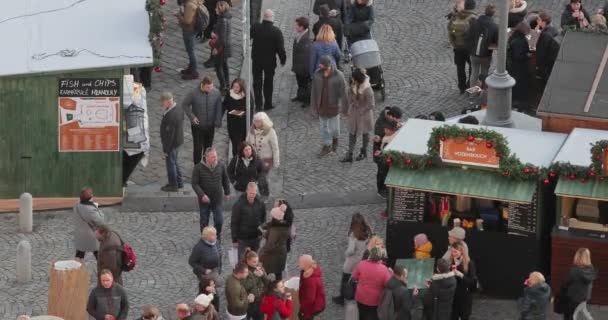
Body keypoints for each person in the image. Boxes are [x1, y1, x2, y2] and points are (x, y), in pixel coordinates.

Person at [311, 55, 349, 157]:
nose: (319, 67)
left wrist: (345, 108)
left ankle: (335, 139)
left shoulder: (338, 76)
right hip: (321, 106)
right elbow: (314, 91)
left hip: (333, 107)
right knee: (324, 128)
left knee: (335, 128)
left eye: (321, 65)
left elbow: (344, 93)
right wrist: (314, 106)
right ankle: (327, 145)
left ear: (327, 66)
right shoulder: (317, 75)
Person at [251, 9, 287, 111]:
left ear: (263, 17)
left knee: (257, 82)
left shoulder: (256, 27)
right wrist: (283, 60)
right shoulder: (276, 32)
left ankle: (258, 104)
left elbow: (249, 35)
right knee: (268, 82)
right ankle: (268, 103)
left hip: (257, 60)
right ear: (272, 18)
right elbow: (280, 49)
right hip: (269, 62)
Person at [333, 212, 372, 305]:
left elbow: (351, 250)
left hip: (351, 261)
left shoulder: (354, 235)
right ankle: (356, 295)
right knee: (357, 278)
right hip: (361, 259)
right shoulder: (367, 231)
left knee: (345, 279)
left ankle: (342, 298)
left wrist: (345, 254)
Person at [183, 77, 223, 164]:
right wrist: (192, 117)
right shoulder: (193, 93)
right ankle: (197, 167)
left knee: (208, 148)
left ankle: (207, 164)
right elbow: (185, 104)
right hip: (197, 126)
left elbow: (219, 107)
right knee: (197, 148)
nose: (210, 89)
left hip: (210, 126)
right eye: (208, 87)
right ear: (203, 85)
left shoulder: (216, 93)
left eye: (211, 87)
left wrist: (218, 120)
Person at [192, 147, 231, 235]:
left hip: (217, 199)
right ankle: (205, 239)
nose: (215, 158)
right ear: (206, 157)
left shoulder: (221, 165)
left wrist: (227, 192)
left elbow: (225, 179)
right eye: (213, 157)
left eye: (216, 156)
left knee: (219, 221)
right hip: (204, 201)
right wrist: (202, 195)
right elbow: (194, 184)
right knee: (204, 222)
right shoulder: (198, 168)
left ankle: (217, 236)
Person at [341, 68, 375, 163]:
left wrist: (362, 110)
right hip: (354, 114)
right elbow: (349, 98)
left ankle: (363, 151)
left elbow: (371, 104)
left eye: (353, 78)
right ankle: (350, 154)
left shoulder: (367, 90)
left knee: (365, 133)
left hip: (364, 115)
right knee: (352, 133)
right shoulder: (353, 85)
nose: (352, 80)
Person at [352, 247, 392, 320]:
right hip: (375, 300)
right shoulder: (384, 269)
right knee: (373, 316)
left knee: (361, 315)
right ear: (380, 257)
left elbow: (354, 277)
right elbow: (389, 284)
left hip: (360, 297)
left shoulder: (362, 264)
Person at [246, 112, 279, 196]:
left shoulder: (271, 132)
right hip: (254, 160)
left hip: (266, 160)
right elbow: (247, 144)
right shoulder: (251, 131)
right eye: (255, 121)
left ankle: (265, 194)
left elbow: (275, 148)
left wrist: (276, 161)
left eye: (259, 121)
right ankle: (263, 194)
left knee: (261, 178)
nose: (257, 123)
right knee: (257, 178)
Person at [558, 248, 597, 320]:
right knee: (583, 312)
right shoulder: (591, 268)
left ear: (577, 256)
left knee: (570, 316)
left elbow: (565, 284)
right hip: (584, 297)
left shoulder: (575, 271)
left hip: (573, 299)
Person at [465, 4, 498, 89]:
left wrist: (471, 49)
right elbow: (496, 42)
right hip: (485, 55)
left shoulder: (475, 23)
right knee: (484, 73)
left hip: (473, 54)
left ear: (485, 11)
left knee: (474, 73)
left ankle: (472, 93)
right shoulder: (494, 26)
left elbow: (468, 37)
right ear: (493, 14)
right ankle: (483, 92)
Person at [448, 0, 476, 94]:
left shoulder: (455, 16)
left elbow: (449, 30)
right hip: (469, 49)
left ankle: (462, 88)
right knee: (473, 67)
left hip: (458, 48)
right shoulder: (474, 18)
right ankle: (469, 86)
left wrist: (454, 44)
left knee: (460, 68)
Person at [231, 182, 266, 258]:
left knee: (255, 260)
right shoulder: (238, 205)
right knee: (242, 261)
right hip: (242, 238)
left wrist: (261, 233)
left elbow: (263, 219)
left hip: (256, 237)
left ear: (256, 192)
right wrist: (234, 240)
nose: (252, 196)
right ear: (247, 191)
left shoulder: (260, 203)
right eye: (250, 193)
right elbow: (234, 222)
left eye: (254, 193)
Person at [373, 107, 402, 198]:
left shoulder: (391, 118)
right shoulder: (380, 123)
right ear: (390, 116)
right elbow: (380, 136)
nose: (397, 121)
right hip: (380, 150)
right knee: (382, 171)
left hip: (387, 149)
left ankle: (387, 188)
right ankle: (381, 189)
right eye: (395, 119)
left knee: (387, 170)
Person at [160, 92, 185, 192]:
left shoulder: (171, 116)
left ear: (168, 101)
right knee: (174, 162)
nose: (162, 105)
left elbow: (170, 135)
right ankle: (179, 182)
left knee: (171, 164)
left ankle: (173, 185)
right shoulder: (178, 108)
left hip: (172, 144)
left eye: (163, 102)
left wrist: (166, 149)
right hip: (178, 140)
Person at [258, 204, 290, 280]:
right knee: (278, 274)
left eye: (271, 216)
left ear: (274, 218)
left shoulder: (275, 231)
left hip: (271, 256)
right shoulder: (283, 225)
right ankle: (279, 288)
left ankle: (265, 287)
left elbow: (270, 245)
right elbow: (270, 224)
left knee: (264, 272)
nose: (270, 217)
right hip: (281, 254)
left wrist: (260, 252)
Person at [73, 187, 105, 260]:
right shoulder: (91, 210)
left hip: (80, 235)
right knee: (98, 255)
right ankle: (102, 268)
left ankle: (77, 269)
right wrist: (96, 208)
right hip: (91, 236)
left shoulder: (76, 205)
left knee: (79, 255)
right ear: (90, 197)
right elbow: (100, 221)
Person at [449, 242, 477, 320]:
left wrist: (460, 275)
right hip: (453, 295)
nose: (453, 253)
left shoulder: (469, 263)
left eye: (455, 251)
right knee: (453, 316)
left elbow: (471, 281)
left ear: (462, 251)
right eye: (452, 251)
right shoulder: (451, 262)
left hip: (465, 296)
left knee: (464, 316)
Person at [177, 0, 204, 80]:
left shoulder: (189, 5)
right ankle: (191, 68)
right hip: (193, 28)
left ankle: (194, 72)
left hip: (189, 30)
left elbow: (187, 21)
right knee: (191, 50)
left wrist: (179, 15)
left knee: (191, 51)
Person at [374, 120, 399, 204]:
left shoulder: (390, 140)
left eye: (386, 129)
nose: (384, 130)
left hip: (385, 163)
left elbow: (387, 151)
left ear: (391, 130)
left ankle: (382, 190)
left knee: (382, 175)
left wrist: (380, 153)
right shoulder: (391, 136)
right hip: (384, 161)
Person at [508, 21, 531, 111]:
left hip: (514, 67)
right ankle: (519, 105)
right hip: (519, 68)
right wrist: (527, 56)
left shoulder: (514, 37)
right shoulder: (520, 41)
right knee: (520, 86)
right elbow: (518, 56)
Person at [224, 78, 250, 157]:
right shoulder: (229, 94)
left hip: (242, 124)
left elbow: (249, 109)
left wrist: (239, 112)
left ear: (241, 87)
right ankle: (235, 159)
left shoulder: (246, 96)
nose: (235, 89)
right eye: (234, 86)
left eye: (237, 87)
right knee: (235, 144)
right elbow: (225, 105)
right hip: (232, 124)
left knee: (242, 144)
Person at [210, 1, 232, 94]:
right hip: (226, 46)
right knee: (224, 65)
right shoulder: (225, 18)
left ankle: (223, 86)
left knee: (219, 66)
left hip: (221, 47)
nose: (215, 9)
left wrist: (215, 47)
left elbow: (222, 38)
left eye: (216, 8)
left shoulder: (223, 21)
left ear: (220, 9)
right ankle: (227, 84)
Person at [242, 249, 268, 320]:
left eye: (257, 261)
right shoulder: (243, 270)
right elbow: (244, 286)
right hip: (248, 302)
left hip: (259, 300)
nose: (256, 263)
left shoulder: (260, 267)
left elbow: (267, 283)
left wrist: (262, 276)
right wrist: (255, 276)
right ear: (248, 261)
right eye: (254, 262)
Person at [292, 17, 313, 107]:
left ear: (302, 27)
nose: (295, 27)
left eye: (297, 25)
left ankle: (307, 100)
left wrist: (305, 70)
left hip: (303, 68)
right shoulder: (299, 36)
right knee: (299, 83)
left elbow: (306, 58)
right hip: (298, 66)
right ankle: (300, 96)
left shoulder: (306, 40)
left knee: (305, 84)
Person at [535, 12, 560, 86]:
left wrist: (537, 65)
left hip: (547, 63)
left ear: (544, 22)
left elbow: (541, 52)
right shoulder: (553, 29)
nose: (537, 21)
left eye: (539, 20)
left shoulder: (545, 35)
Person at [298, 255, 326, 320]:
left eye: (300, 263)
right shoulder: (309, 271)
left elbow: (310, 300)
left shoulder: (310, 281)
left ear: (306, 265)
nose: (298, 264)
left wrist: (305, 314)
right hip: (315, 302)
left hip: (314, 306)